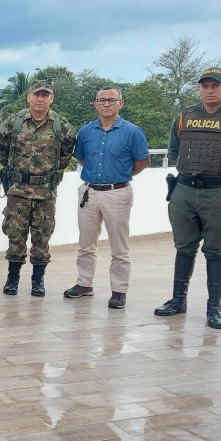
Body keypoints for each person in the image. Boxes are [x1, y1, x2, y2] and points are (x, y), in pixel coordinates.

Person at [155, 67, 221, 329]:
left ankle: (213, 308)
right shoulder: (185, 116)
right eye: (205, 86)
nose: (210, 90)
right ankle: (178, 300)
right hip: (183, 191)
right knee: (183, 248)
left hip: (219, 193)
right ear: (199, 89)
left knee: (215, 251)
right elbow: (175, 149)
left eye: (215, 85)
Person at [63, 86, 150, 309]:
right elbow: (81, 159)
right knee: (85, 244)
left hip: (117, 193)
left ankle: (119, 291)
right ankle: (84, 284)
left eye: (112, 100)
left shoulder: (132, 132)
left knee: (119, 247)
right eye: (102, 100)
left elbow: (142, 161)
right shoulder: (85, 132)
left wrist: (120, 175)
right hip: (90, 193)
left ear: (121, 103)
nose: (106, 104)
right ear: (95, 104)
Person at [0, 79, 76, 297]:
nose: (40, 99)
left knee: (42, 238)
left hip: (45, 193)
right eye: (36, 95)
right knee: (15, 236)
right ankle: (12, 280)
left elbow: (65, 157)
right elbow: (3, 152)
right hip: (18, 190)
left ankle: (37, 281)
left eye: (45, 95)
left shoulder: (63, 126)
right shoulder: (13, 123)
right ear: (28, 97)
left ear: (51, 98)